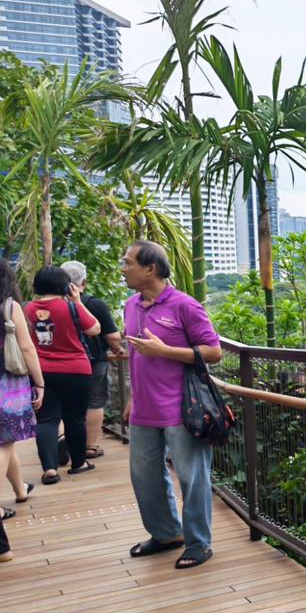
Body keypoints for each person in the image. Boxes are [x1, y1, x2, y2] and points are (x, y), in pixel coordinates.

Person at [120, 241, 223, 570]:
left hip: (182, 409)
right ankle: (166, 534)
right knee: (144, 476)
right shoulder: (131, 305)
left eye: (128, 263)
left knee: (192, 478)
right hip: (144, 410)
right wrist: (133, 397)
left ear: (150, 269)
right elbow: (137, 356)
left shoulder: (184, 305)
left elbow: (213, 352)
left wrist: (165, 351)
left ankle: (198, 542)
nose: (123, 268)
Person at [26, 265, 101, 484]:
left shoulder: (27, 309)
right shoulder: (70, 307)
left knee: (46, 420)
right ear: (66, 285)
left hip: (42, 372)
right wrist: (77, 302)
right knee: (75, 419)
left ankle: (49, 469)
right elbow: (95, 328)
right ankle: (78, 463)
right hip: (76, 370)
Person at [0, 259, 44, 562]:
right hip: (8, 384)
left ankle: (20, 489)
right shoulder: (9, 305)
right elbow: (28, 348)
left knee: (7, 441)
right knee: (4, 441)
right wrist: (39, 383)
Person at [61, 260, 125, 459]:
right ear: (84, 282)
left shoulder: (51, 304)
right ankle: (89, 446)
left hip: (59, 363)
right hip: (93, 361)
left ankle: (62, 443)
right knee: (95, 402)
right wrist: (117, 348)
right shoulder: (94, 304)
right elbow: (113, 336)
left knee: (64, 404)